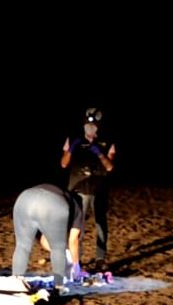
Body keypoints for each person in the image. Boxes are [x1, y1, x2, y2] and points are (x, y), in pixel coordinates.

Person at [60, 108, 115, 271]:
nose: (90, 127)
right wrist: (71, 149)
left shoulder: (107, 141)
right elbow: (63, 163)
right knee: (78, 226)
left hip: (99, 187)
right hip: (78, 188)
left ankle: (100, 258)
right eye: (88, 123)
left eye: (94, 124)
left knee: (100, 224)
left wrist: (100, 153)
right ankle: (76, 259)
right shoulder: (73, 139)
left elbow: (110, 167)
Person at [11, 183, 83, 288]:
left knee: (22, 246)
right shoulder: (77, 208)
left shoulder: (64, 195)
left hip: (25, 198)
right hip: (52, 202)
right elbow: (73, 240)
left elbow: (44, 240)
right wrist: (76, 265)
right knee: (58, 248)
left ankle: (16, 280)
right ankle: (59, 285)